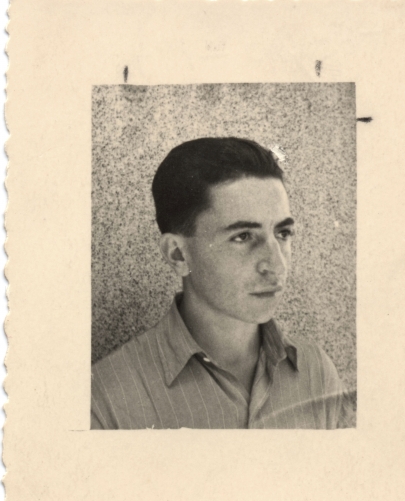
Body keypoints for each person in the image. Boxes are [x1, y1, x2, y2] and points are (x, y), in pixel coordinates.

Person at [91, 137, 355, 429]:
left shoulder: (315, 371)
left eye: (283, 233)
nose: (277, 265)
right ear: (178, 254)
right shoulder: (106, 399)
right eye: (243, 236)